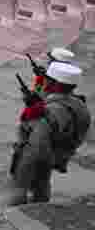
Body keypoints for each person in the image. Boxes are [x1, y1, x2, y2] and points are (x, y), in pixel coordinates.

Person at [10, 61, 90, 205]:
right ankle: (41, 206)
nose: (44, 81)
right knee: (43, 185)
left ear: (55, 84)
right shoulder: (79, 104)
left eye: (47, 79)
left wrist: (24, 165)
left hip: (39, 154)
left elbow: (37, 143)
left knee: (20, 190)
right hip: (58, 152)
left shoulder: (52, 110)